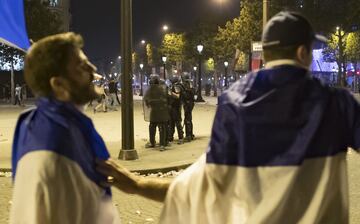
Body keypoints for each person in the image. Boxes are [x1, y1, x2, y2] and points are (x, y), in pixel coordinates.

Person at [96, 11, 360, 223]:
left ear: (266, 53)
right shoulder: (336, 103)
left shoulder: (234, 101)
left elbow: (201, 185)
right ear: (302, 53)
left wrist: (138, 184)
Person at [10, 33, 120, 224]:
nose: (92, 69)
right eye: (81, 66)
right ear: (59, 85)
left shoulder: (56, 126)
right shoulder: (50, 156)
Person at [143, 75, 170, 151]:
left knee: (159, 127)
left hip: (159, 110)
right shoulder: (152, 89)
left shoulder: (160, 89)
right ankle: (155, 143)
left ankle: (160, 143)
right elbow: (146, 98)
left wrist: (151, 102)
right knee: (154, 127)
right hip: (156, 110)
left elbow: (165, 99)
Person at [168, 76, 184, 144]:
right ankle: (170, 137)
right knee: (171, 123)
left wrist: (170, 93)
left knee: (177, 123)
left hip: (176, 107)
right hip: (172, 107)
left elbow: (178, 96)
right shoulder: (173, 86)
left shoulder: (177, 86)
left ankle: (181, 137)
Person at [181, 73, 195, 142]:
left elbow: (187, 94)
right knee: (189, 118)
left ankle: (188, 135)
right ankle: (190, 134)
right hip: (190, 103)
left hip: (188, 103)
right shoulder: (190, 83)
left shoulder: (186, 84)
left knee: (187, 119)